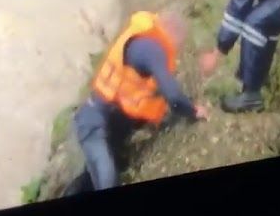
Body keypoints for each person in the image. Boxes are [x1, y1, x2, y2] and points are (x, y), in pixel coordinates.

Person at [63, 11, 209, 197]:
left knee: (93, 177)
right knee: (107, 178)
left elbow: (141, 93)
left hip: (110, 123)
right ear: (172, 34)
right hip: (94, 121)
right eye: (179, 44)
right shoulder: (152, 48)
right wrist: (193, 110)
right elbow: (173, 94)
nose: (177, 50)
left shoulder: (146, 43)